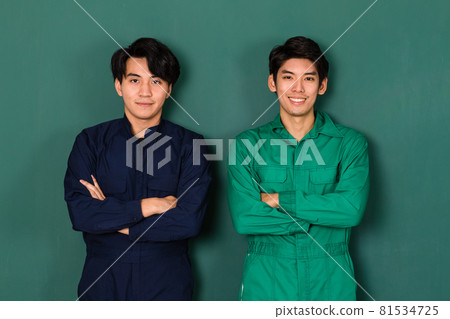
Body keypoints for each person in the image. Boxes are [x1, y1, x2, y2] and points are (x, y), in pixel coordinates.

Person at [64, 38, 211, 301]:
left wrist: (114, 219)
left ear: (169, 88)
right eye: (134, 80)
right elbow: (82, 214)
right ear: (118, 85)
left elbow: (189, 221)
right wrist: (151, 205)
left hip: (167, 281)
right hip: (102, 280)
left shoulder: (191, 144)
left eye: (156, 81)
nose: (145, 92)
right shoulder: (90, 141)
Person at [227, 36, 370, 301]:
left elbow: (351, 210)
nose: (298, 88)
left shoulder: (350, 144)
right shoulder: (247, 145)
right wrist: (323, 217)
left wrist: (280, 199)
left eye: (309, 78)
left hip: (330, 276)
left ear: (322, 85)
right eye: (288, 77)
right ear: (273, 82)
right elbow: (245, 217)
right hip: (268, 279)